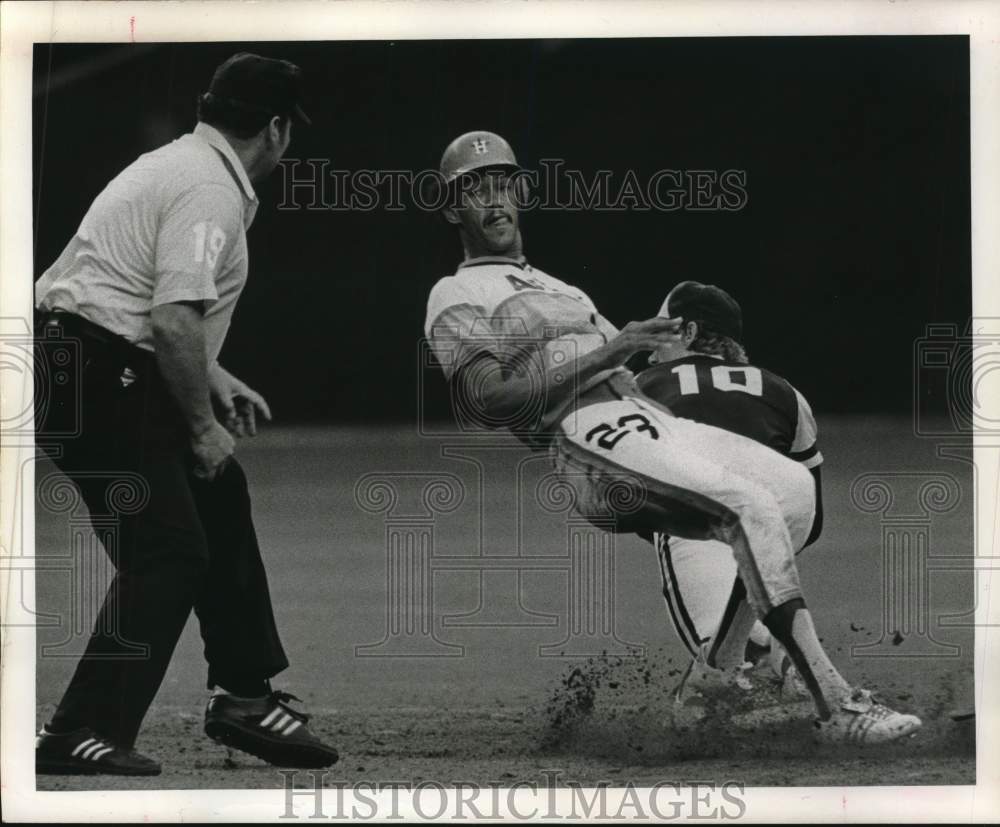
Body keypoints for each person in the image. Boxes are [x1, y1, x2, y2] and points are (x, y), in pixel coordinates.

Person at [423, 130, 920, 744]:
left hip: (640, 421)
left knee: (792, 492)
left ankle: (713, 675)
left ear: (520, 192)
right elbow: (486, 402)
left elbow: (627, 368)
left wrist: (661, 371)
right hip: (581, 434)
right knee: (750, 505)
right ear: (453, 210)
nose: (493, 200)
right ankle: (836, 706)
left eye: (502, 184)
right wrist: (617, 346)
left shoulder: (564, 289)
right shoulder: (455, 292)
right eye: (474, 191)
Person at [33, 53, 338, 775]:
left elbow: (135, 301)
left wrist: (214, 374)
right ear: (276, 129)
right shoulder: (210, 189)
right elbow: (170, 321)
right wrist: (201, 425)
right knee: (167, 550)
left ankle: (243, 695)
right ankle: (79, 728)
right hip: (100, 373)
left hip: (89, 362)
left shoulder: (182, 164)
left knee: (218, 496)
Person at [635, 281, 823, 698]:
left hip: (694, 530)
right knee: (745, 638)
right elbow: (813, 518)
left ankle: (772, 661)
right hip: (768, 540)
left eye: (662, 333)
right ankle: (792, 663)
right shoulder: (786, 393)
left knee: (715, 664)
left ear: (688, 333)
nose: (651, 349)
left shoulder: (642, 385)